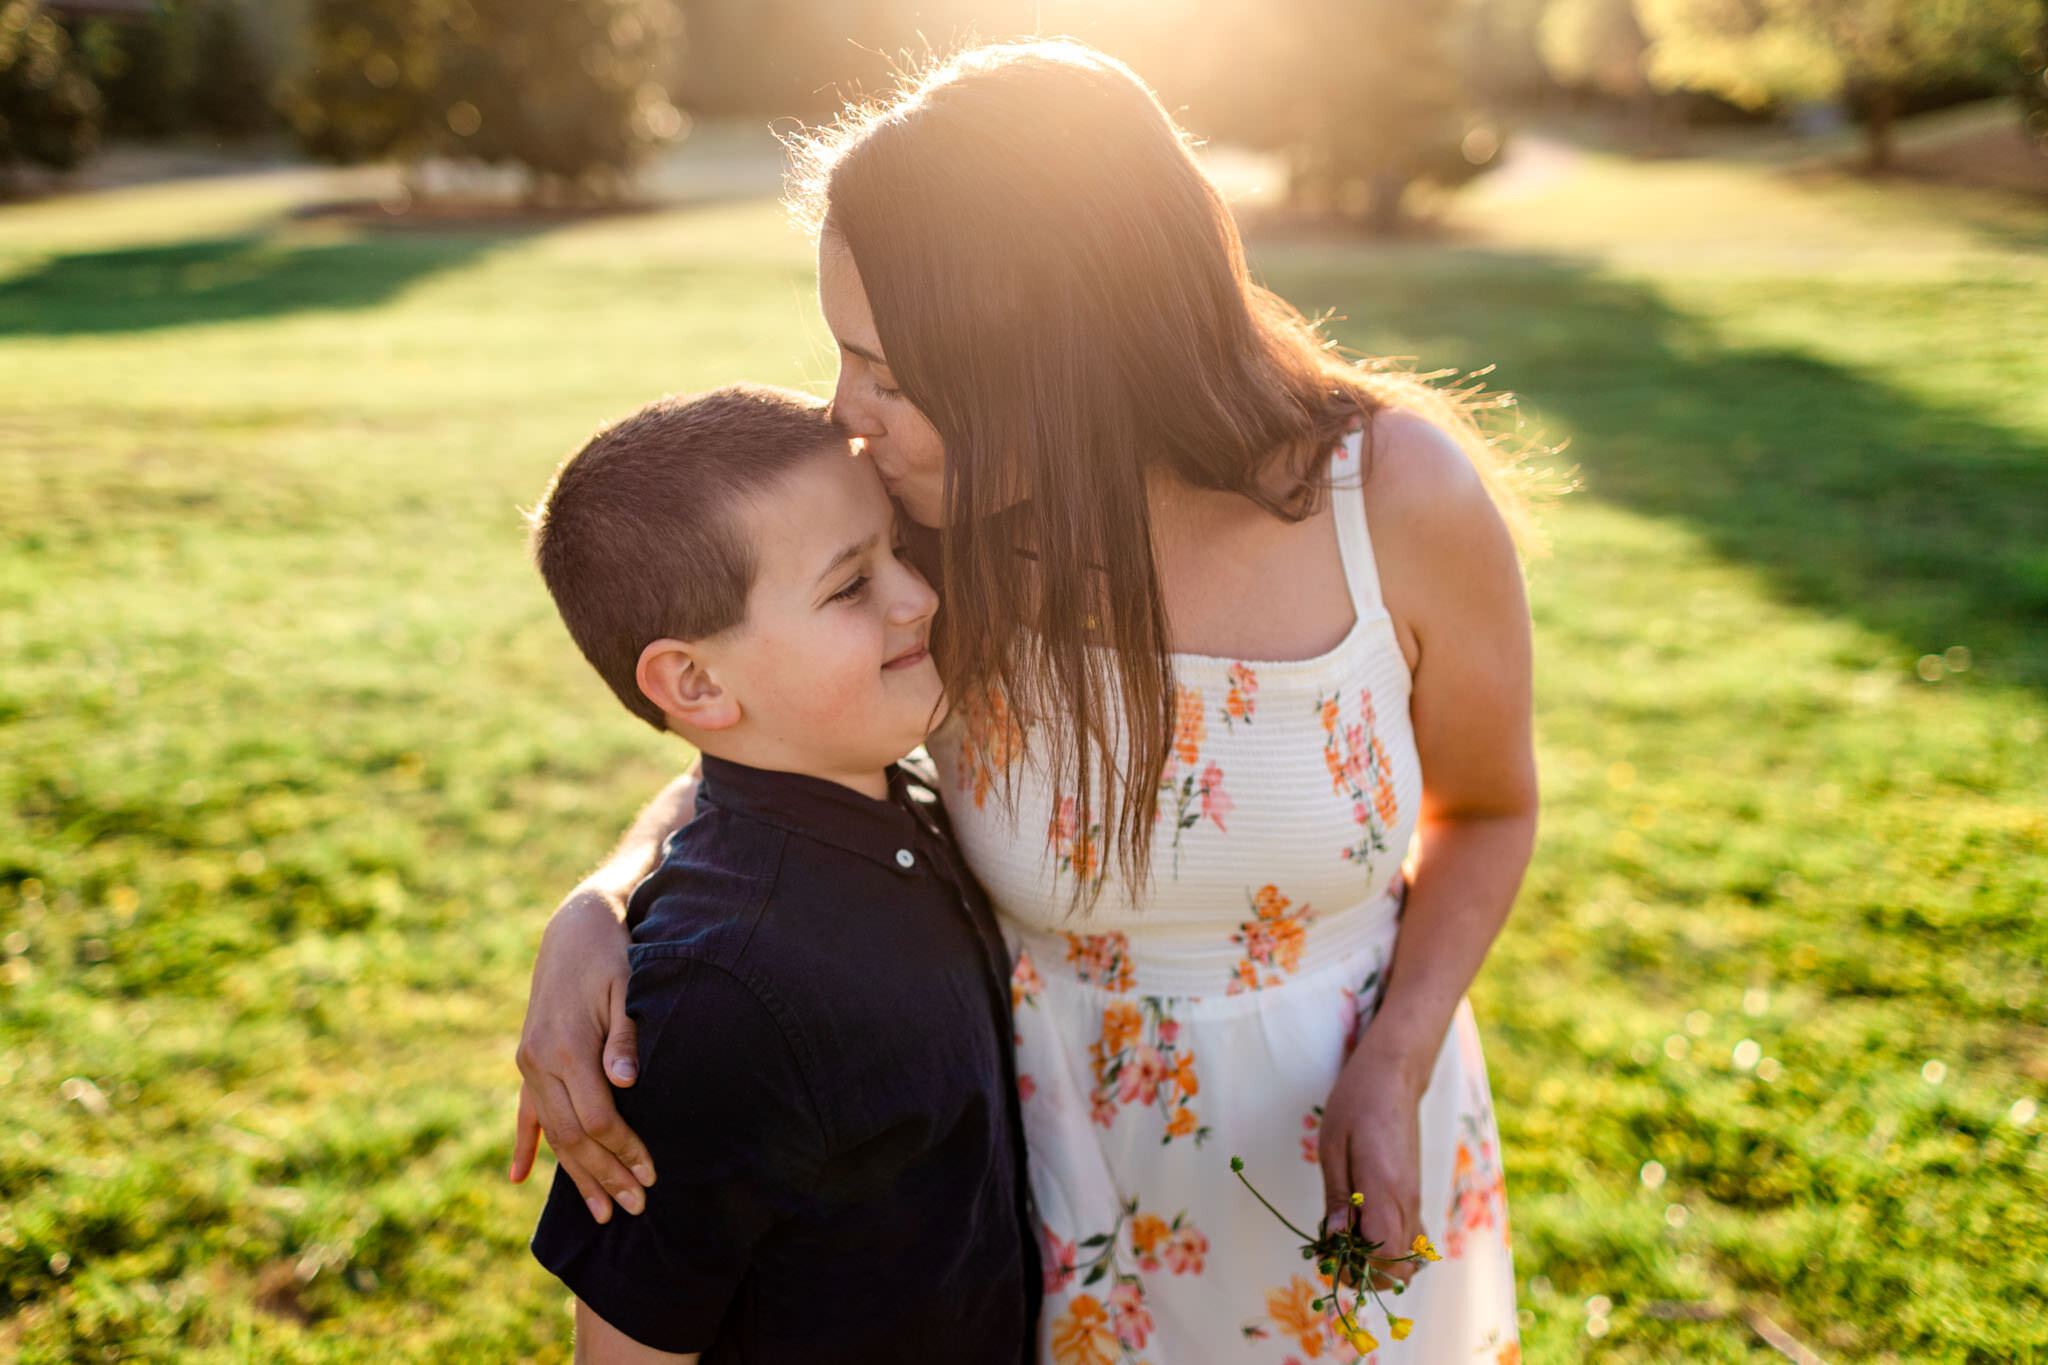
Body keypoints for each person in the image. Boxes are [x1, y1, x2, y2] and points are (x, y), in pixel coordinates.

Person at [512, 40, 1537, 1363]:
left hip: (1355, 1141)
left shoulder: (1393, 500)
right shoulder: (936, 545)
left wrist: (1397, 1055)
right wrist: (595, 907)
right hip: (1051, 1188)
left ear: (1051, 353)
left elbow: (1491, 806)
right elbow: (766, 761)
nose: (848, 417)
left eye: (885, 367)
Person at [522, 384, 1036, 1363]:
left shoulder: (903, 793)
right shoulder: (713, 999)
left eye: (897, 546)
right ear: (697, 684)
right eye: (850, 587)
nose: (916, 595)